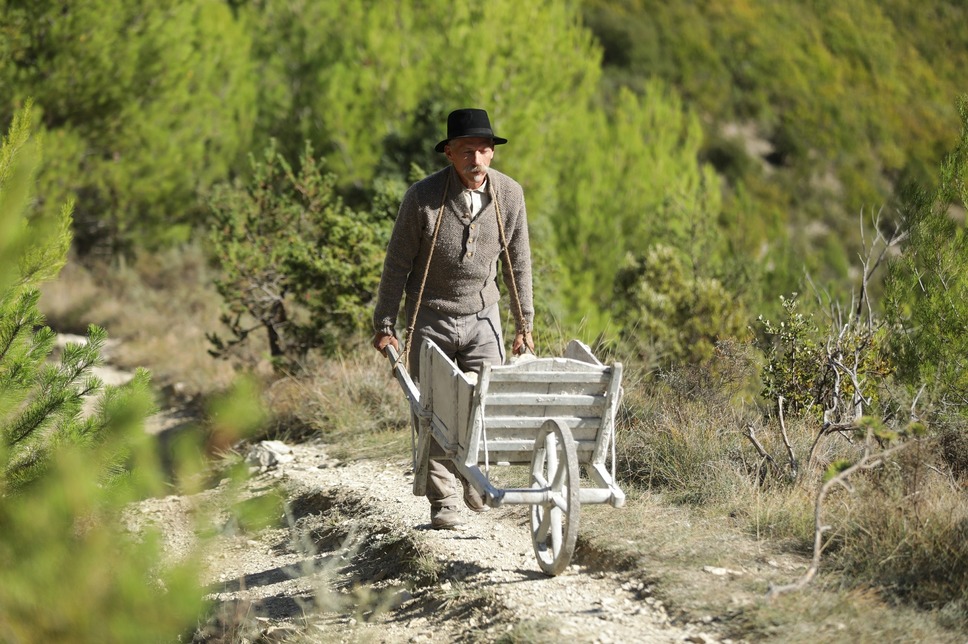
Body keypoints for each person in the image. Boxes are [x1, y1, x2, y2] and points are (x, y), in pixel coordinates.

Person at [372, 108, 535, 529]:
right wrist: (386, 325)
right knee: (433, 409)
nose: (476, 159)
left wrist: (525, 326)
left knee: (485, 401)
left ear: (492, 155)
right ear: (448, 153)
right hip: (431, 316)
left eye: (483, 150)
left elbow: (519, 266)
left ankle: (473, 474)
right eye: (466, 151)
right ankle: (442, 500)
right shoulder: (422, 198)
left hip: (484, 316)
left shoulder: (509, 195)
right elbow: (396, 266)